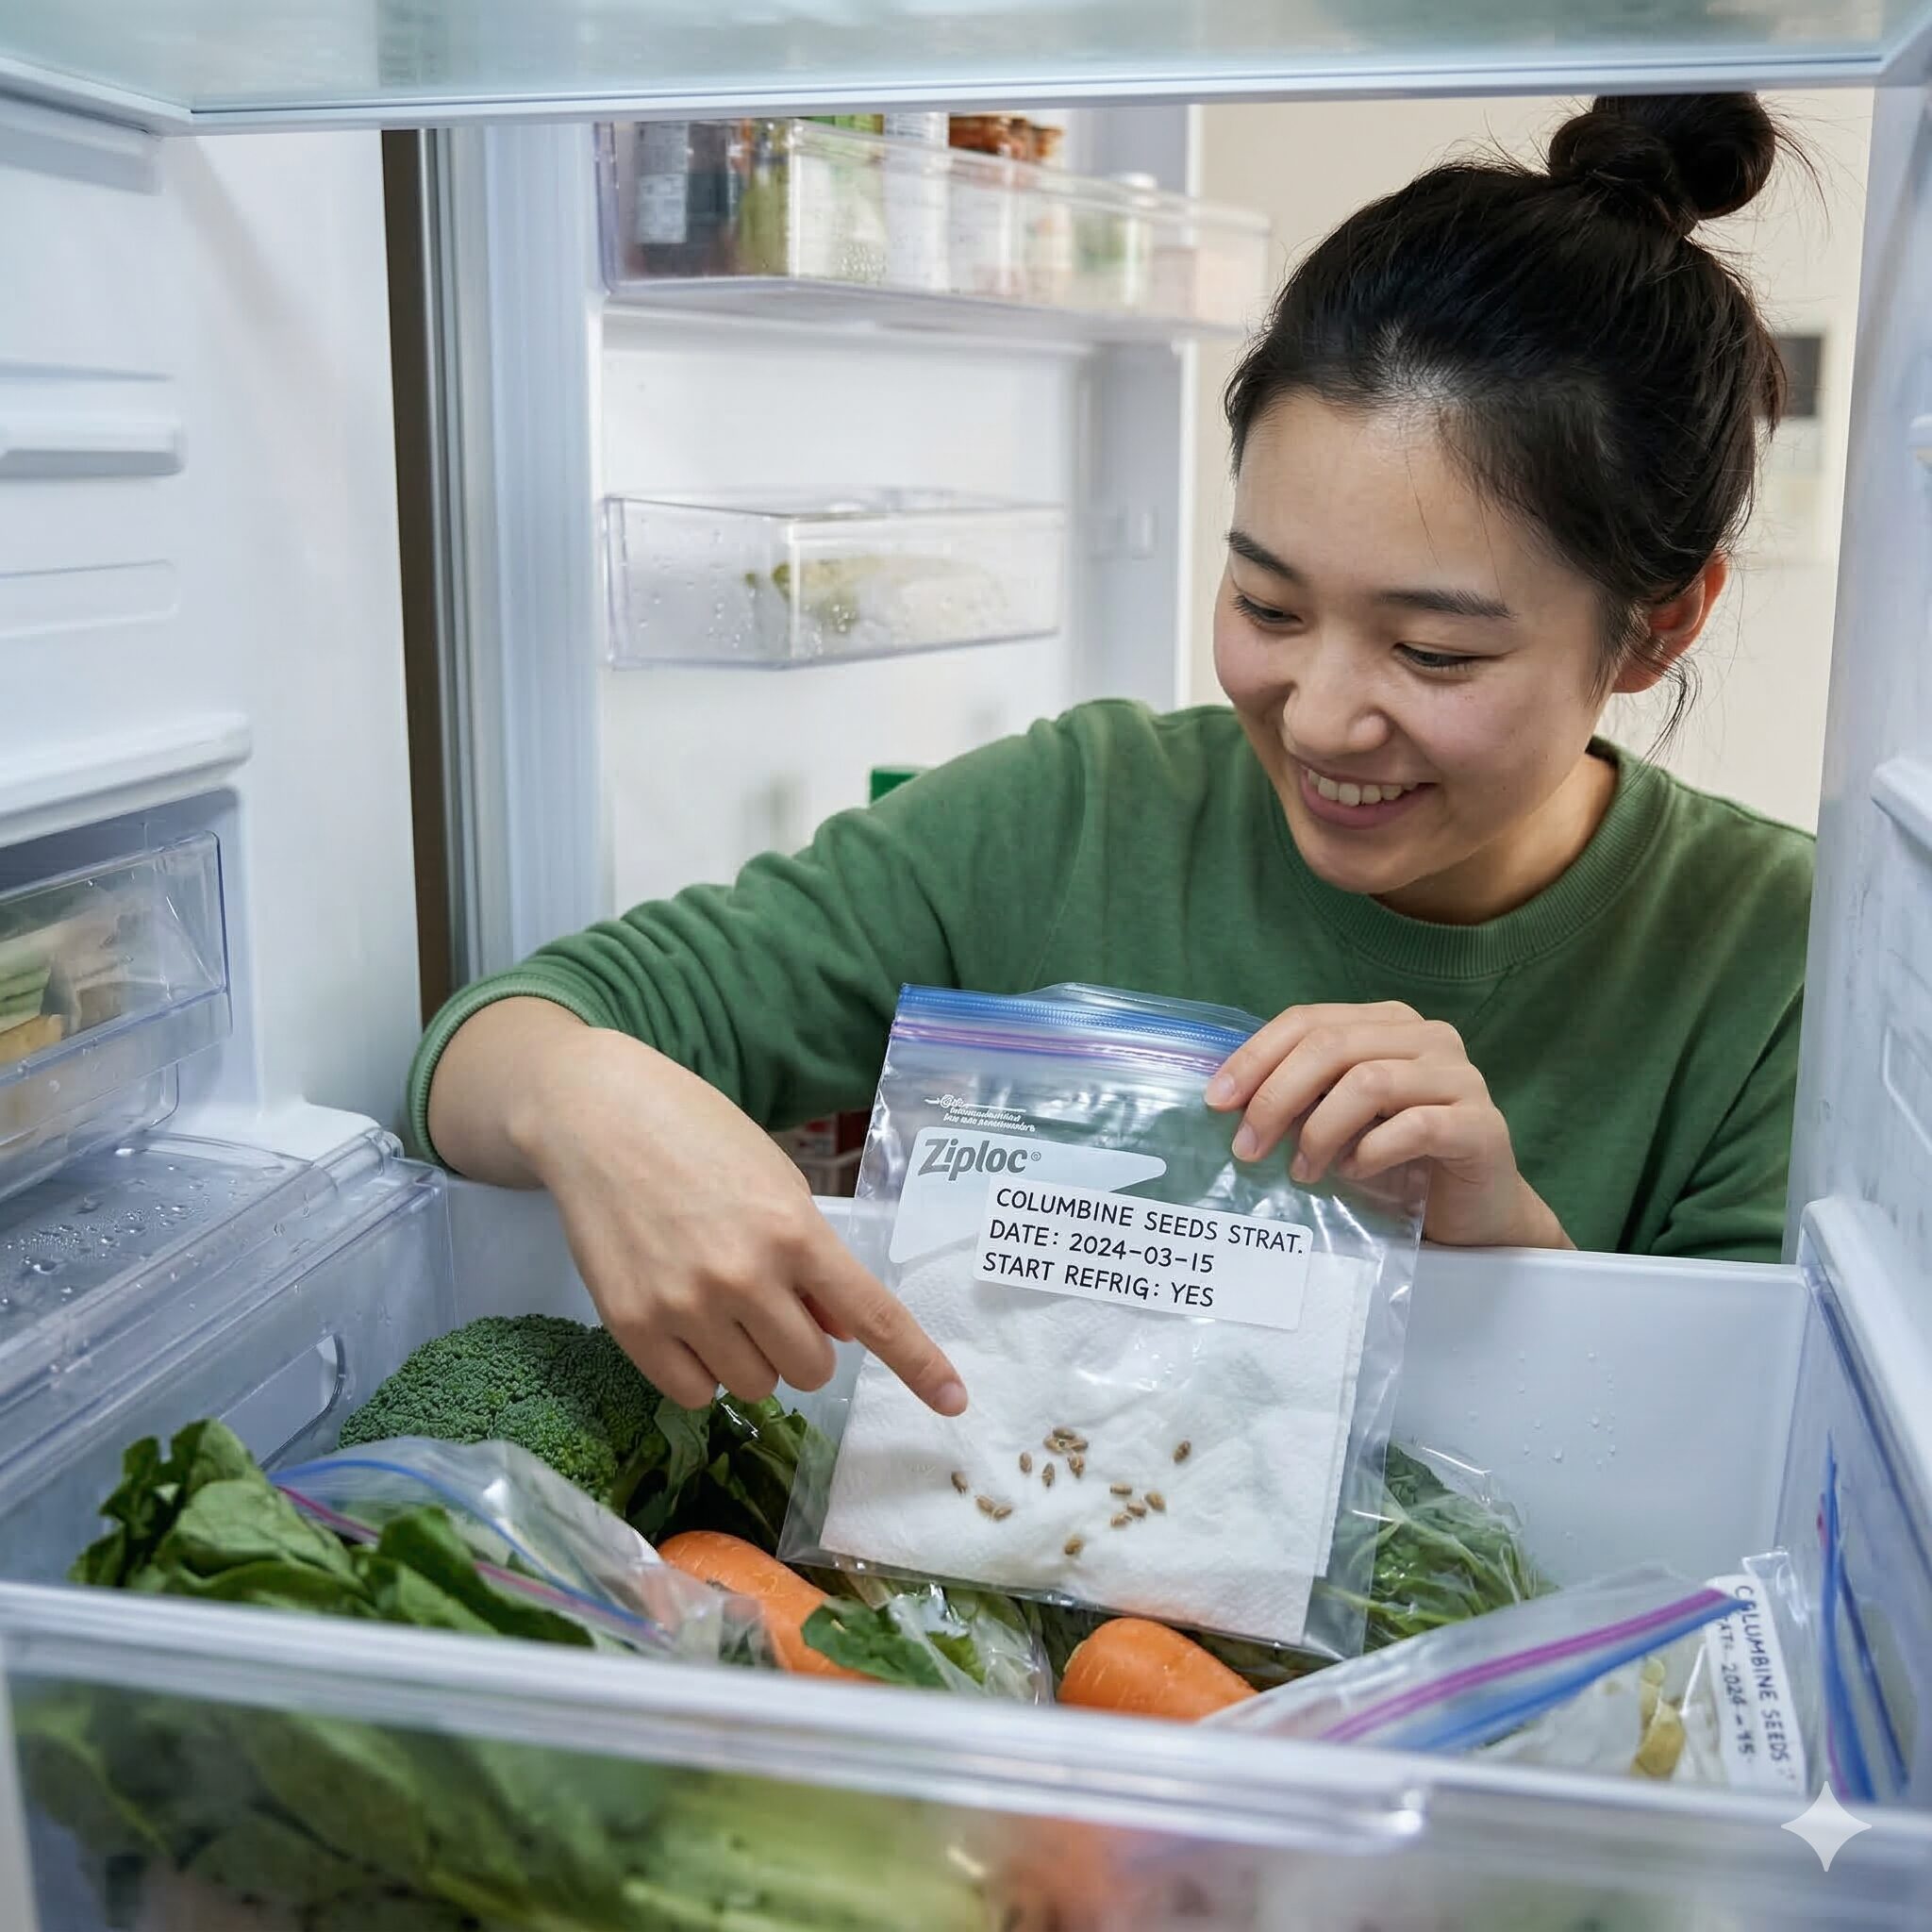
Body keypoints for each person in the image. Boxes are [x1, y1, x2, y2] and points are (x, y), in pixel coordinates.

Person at [412, 92, 1811, 1419]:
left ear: (1659, 623)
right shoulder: (1072, 815)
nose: (1322, 716)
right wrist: (585, 1096)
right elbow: (497, 1042)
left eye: (1433, 653)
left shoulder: (1777, 954)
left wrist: (1501, 1247)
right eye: (1268, 604)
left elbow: (1744, 1470)